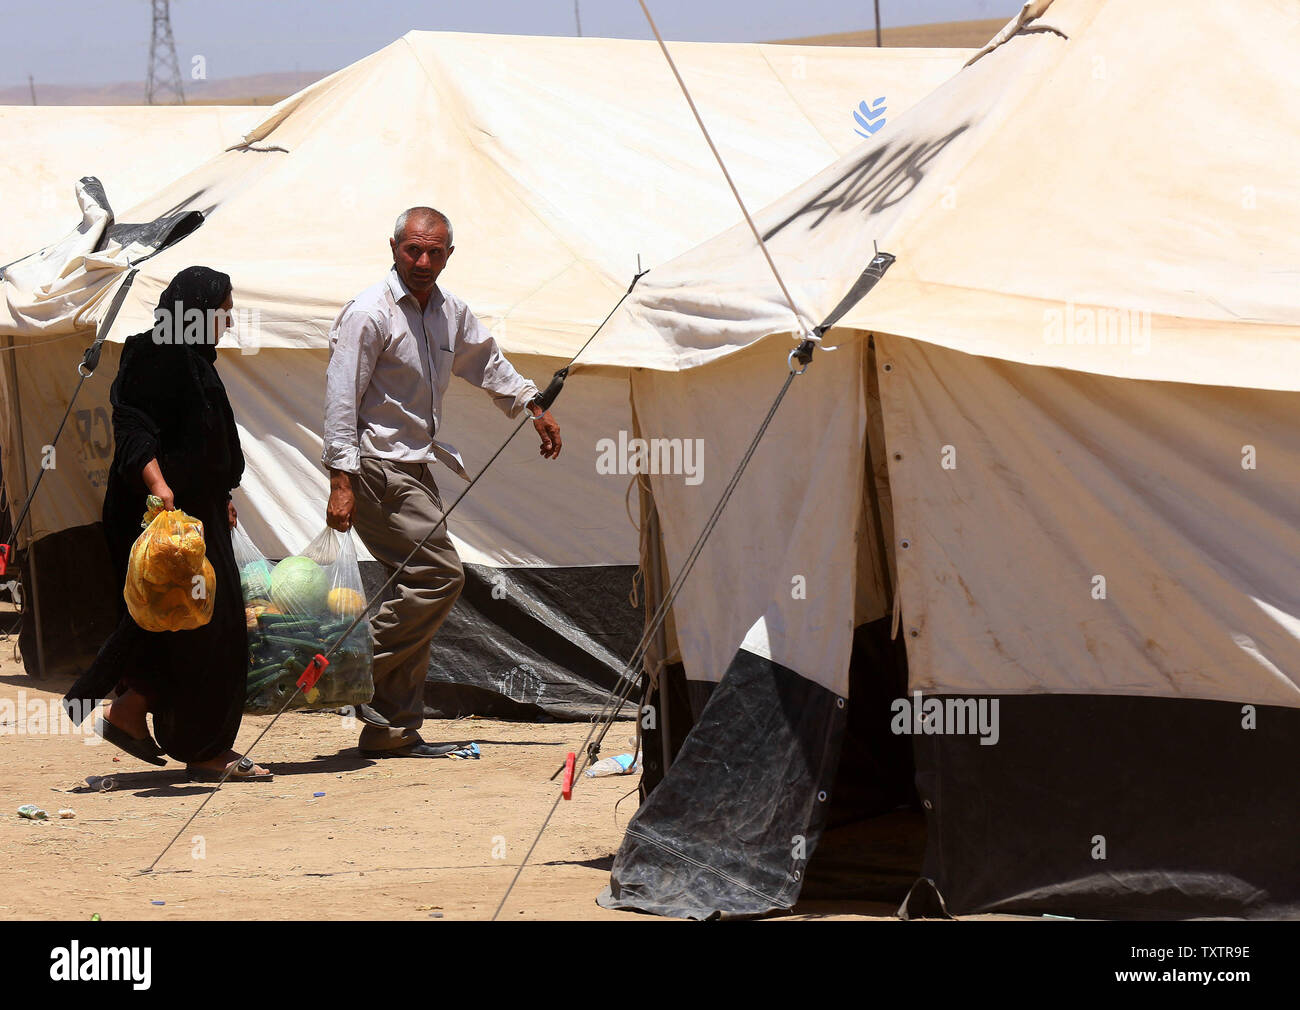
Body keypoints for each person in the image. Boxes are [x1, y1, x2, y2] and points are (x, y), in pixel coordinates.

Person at [323, 207, 561, 757]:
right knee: (438, 577)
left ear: (449, 254)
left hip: (417, 467)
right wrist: (341, 479)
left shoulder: (449, 311)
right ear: (393, 247)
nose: (423, 261)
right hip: (375, 468)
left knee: (416, 589)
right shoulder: (368, 313)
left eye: (435, 252)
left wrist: (533, 404)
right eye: (413, 250)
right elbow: (341, 400)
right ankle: (341, 664)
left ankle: (392, 726)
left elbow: (486, 361)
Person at [66, 266, 271, 782]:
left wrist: (219, 493)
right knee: (211, 631)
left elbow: (201, 437)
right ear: (196, 310)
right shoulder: (156, 352)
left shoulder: (194, 358)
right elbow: (134, 427)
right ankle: (203, 748)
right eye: (222, 310)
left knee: (172, 621)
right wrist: (161, 490)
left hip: (197, 513)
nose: (227, 319)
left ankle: (127, 713)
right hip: (161, 515)